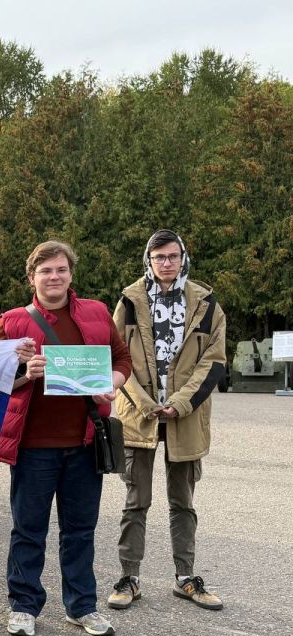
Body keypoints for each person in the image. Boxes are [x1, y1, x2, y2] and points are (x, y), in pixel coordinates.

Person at [0, 240, 132, 636]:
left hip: (85, 443)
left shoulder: (96, 312)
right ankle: (23, 604)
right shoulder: (14, 320)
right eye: (45, 271)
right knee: (28, 529)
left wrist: (112, 383)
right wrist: (24, 374)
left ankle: (81, 606)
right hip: (34, 445)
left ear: (71, 273)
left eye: (60, 270)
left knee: (80, 530)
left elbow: (122, 359)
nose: (54, 277)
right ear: (32, 277)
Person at [107, 230, 227, 612]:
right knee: (135, 500)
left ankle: (185, 577)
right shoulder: (129, 302)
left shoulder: (207, 305)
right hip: (139, 416)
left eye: (173, 256)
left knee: (183, 501)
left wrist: (179, 403)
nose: (167, 263)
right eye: (159, 257)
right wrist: (144, 403)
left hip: (184, 417)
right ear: (149, 259)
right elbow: (117, 357)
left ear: (183, 258)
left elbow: (214, 362)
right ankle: (129, 577)